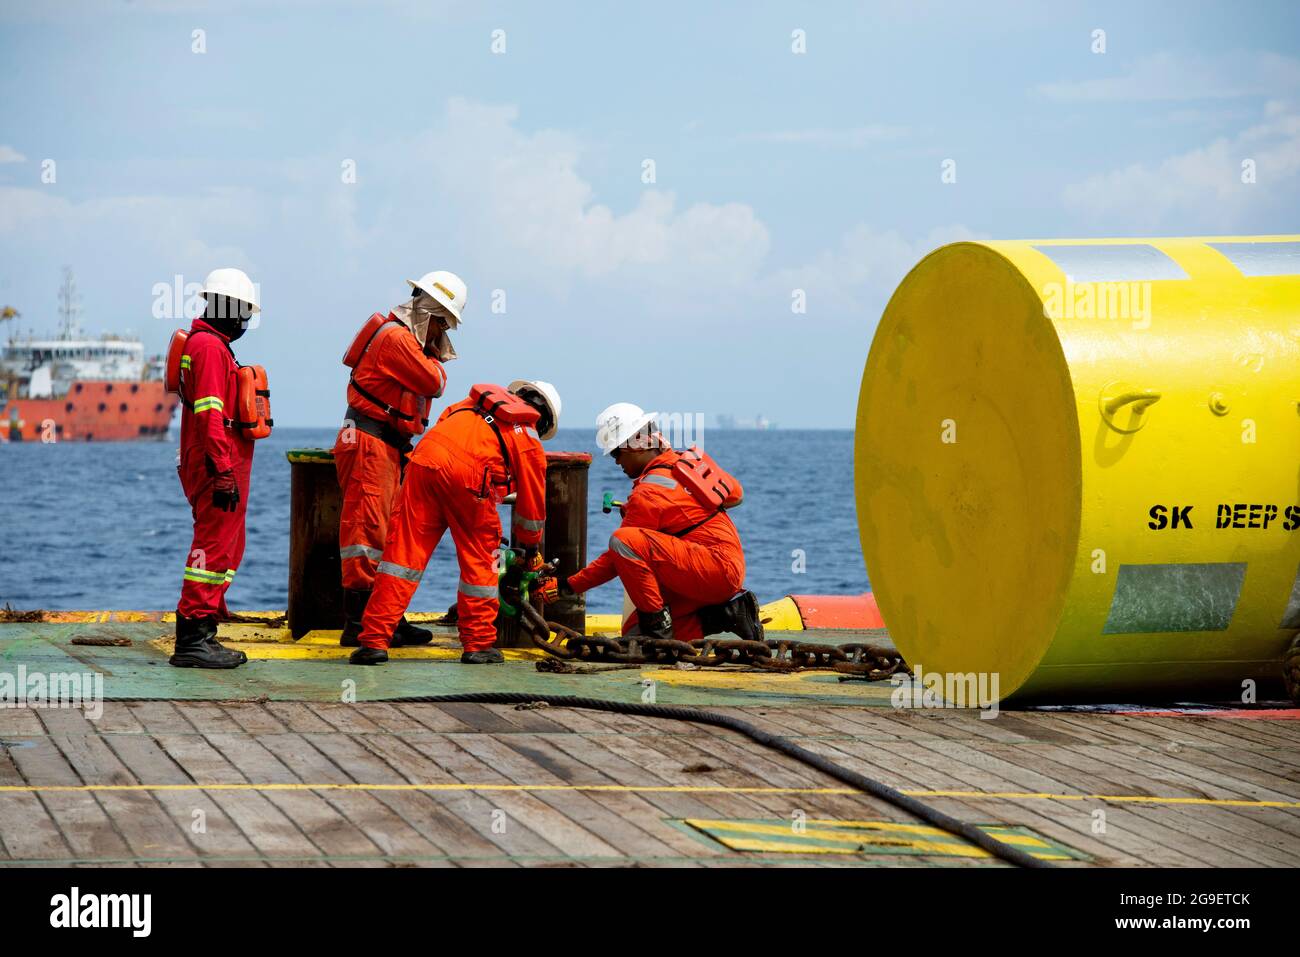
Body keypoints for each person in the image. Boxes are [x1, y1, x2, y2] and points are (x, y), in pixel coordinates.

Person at [349, 380, 562, 665]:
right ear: (543, 419)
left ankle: (373, 641)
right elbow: (532, 507)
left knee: (401, 558)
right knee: (483, 561)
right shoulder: (528, 437)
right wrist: (532, 547)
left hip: (423, 464)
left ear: (518, 394)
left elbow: (443, 437)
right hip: (469, 478)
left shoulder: (467, 405)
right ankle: (478, 645)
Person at [538, 403, 762, 642]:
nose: (616, 463)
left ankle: (657, 626)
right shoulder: (685, 464)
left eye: (616, 453)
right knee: (634, 632)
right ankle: (730, 614)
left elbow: (618, 555)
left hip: (713, 570)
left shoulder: (648, 493)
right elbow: (734, 495)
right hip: (723, 568)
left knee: (623, 541)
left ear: (635, 446)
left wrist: (567, 586)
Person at [333, 271, 467, 648]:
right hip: (369, 442)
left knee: (386, 532)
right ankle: (360, 623)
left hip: (385, 443)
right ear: (429, 313)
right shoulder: (396, 339)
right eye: (442, 321)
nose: (444, 331)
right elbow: (435, 382)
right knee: (366, 534)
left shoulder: (404, 339)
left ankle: (385, 617)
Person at [172, 268, 266, 668]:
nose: (245, 321)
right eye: (243, 311)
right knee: (211, 547)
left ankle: (206, 620)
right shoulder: (210, 347)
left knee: (227, 544)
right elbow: (212, 413)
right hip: (216, 462)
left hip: (219, 460)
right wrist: (223, 469)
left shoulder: (213, 345)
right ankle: (193, 636)